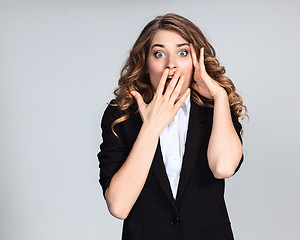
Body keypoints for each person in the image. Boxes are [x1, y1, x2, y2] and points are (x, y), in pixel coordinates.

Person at [97, 13, 248, 240]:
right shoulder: (120, 115)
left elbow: (223, 168)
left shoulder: (215, 109)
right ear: (146, 64)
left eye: (182, 53)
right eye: (159, 54)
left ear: (196, 61)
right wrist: (151, 128)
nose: (171, 64)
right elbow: (119, 206)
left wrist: (219, 95)